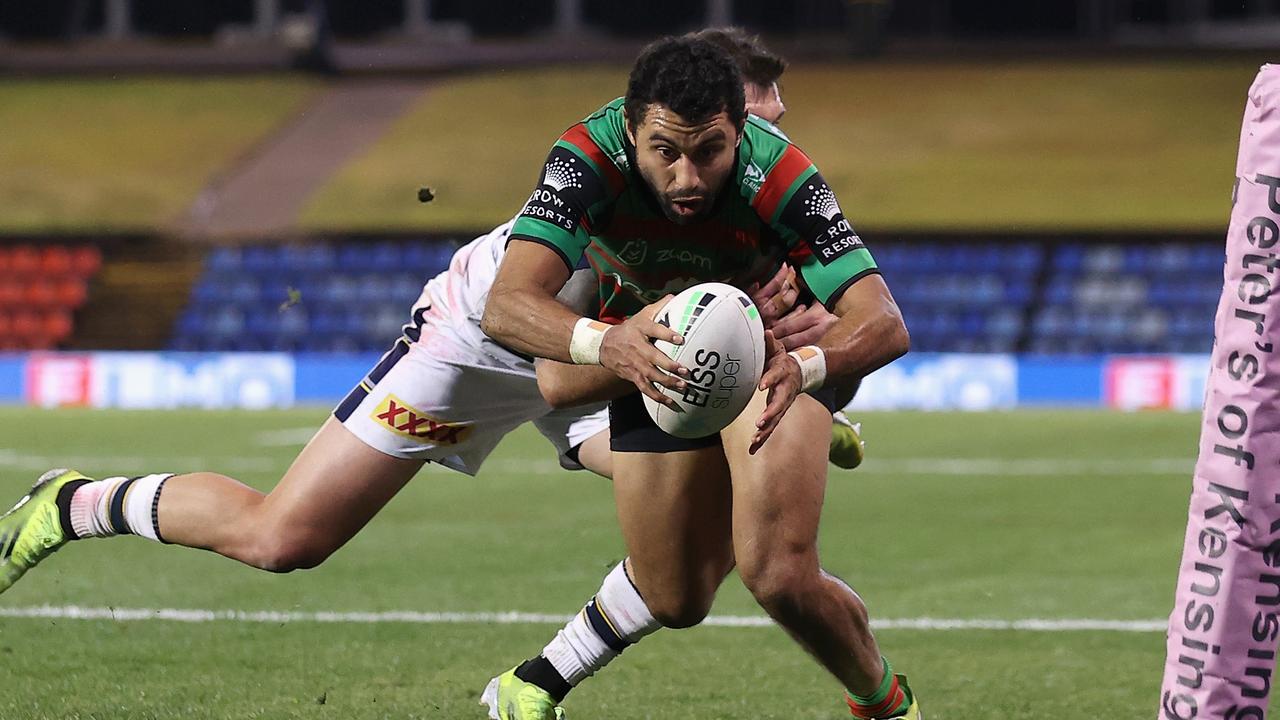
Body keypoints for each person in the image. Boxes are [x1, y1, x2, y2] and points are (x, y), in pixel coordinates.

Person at [0, 30, 857, 594]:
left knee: (689, 546)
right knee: (283, 539)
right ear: (650, 131)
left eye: (764, 125)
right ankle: (77, 502)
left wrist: (783, 375)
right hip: (491, 350)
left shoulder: (747, 185)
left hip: (612, 358)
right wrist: (711, 369)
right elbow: (544, 360)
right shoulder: (602, 181)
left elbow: (837, 311)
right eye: (760, 117)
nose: (770, 136)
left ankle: (536, 684)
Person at [479, 35, 916, 720]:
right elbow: (507, 308)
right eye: (666, 152)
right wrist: (614, 344)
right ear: (631, 130)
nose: (687, 177)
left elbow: (885, 322)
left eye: (709, 150)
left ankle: (886, 706)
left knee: (777, 573)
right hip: (652, 357)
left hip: (771, 357)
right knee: (675, 596)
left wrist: (803, 368)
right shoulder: (584, 161)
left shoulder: (781, 174)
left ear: (741, 131)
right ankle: (527, 682)